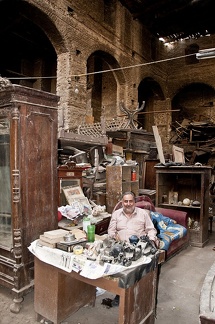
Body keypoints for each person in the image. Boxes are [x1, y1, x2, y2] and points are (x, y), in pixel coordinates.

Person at [107, 191, 159, 306]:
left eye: (131, 201)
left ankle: (139, 295)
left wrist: (151, 239)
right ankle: (120, 294)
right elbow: (110, 231)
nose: (128, 204)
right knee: (120, 269)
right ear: (122, 202)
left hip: (138, 248)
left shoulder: (143, 214)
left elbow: (151, 229)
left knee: (138, 271)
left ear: (134, 202)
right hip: (121, 247)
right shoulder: (116, 214)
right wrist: (113, 236)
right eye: (125, 201)